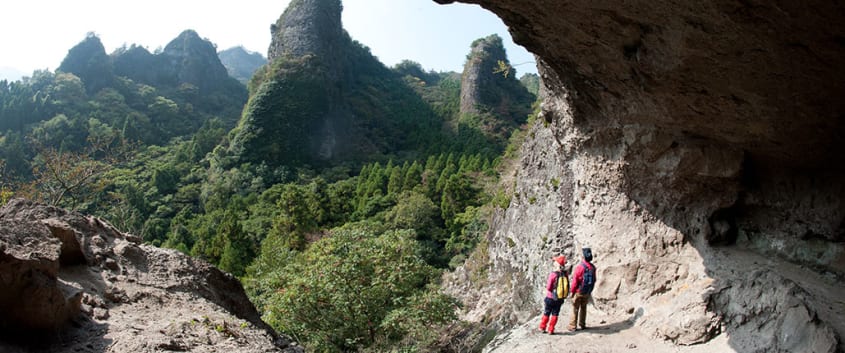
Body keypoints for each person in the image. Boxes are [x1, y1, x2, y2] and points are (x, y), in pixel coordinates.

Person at [569, 247, 596, 331]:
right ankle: (582, 324)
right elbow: (594, 279)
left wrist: (572, 291)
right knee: (584, 307)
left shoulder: (580, 267)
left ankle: (572, 326)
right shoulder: (592, 267)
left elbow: (575, 281)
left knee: (575, 308)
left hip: (578, 291)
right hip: (587, 291)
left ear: (583, 257)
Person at [539, 255, 567, 334]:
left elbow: (549, 287)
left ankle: (542, 327)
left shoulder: (553, 274)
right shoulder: (565, 274)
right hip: (560, 298)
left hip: (550, 297)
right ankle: (551, 329)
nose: (554, 262)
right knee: (555, 313)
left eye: (555, 261)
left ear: (557, 264)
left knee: (547, 312)